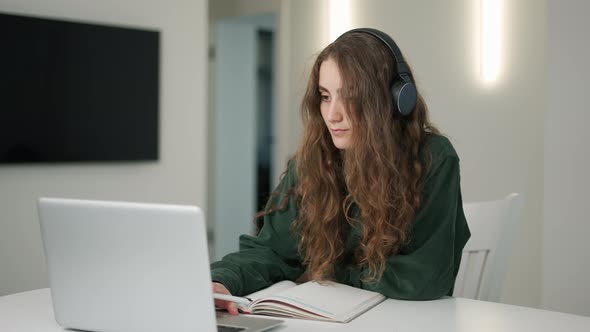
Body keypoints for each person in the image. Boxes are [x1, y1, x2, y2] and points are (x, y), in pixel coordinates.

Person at [211, 28, 470, 315]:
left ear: (393, 99)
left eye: (349, 97)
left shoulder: (434, 157)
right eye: (325, 96)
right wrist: (222, 280)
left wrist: (325, 272)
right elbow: (271, 250)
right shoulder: (314, 161)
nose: (333, 114)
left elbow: (424, 276)